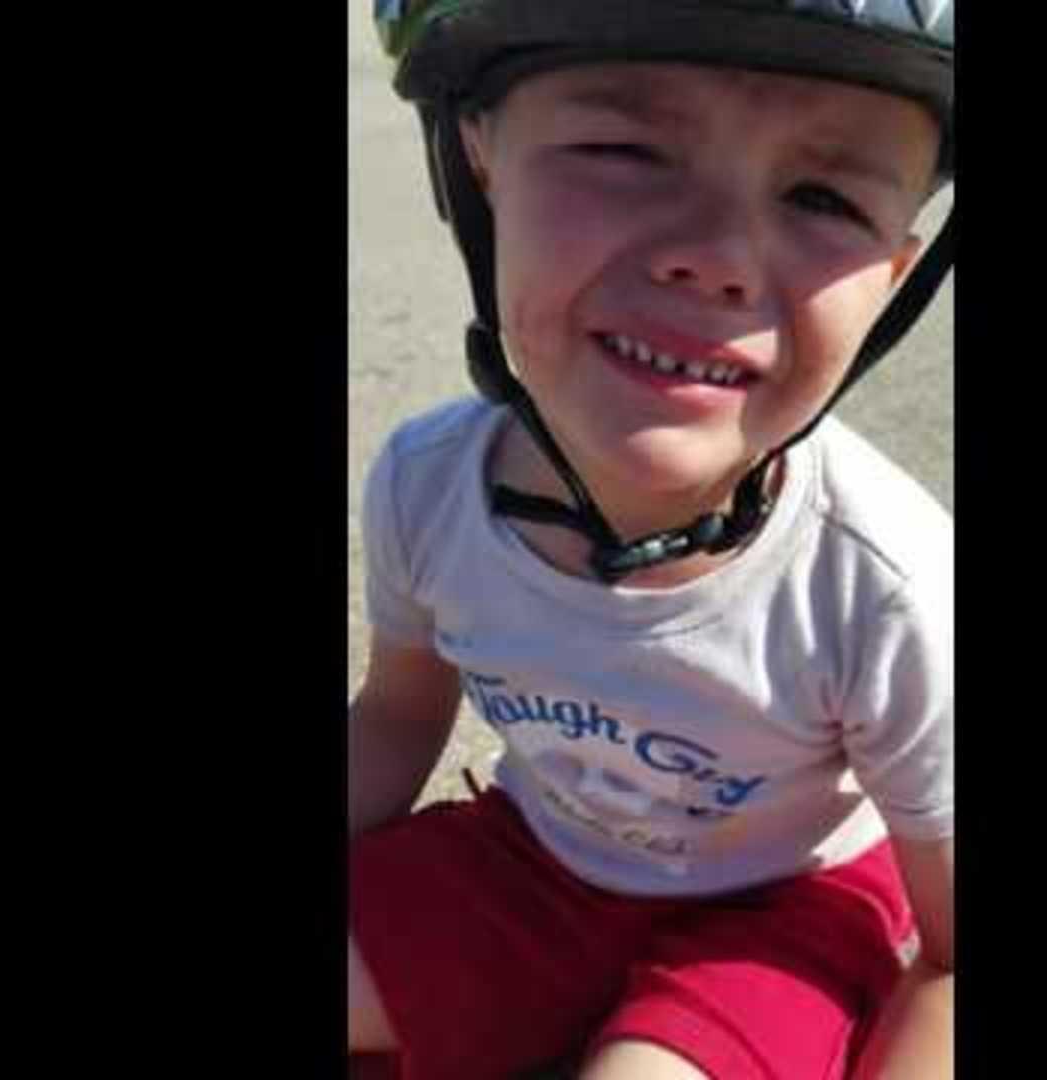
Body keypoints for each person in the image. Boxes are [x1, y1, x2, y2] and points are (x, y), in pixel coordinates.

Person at [349, 2, 955, 1077]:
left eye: (823, 197)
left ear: (894, 282)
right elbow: (396, 719)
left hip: (785, 913)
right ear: (479, 161)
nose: (715, 260)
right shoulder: (427, 485)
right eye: (624, 151)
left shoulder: (888, 583)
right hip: (533, 865)